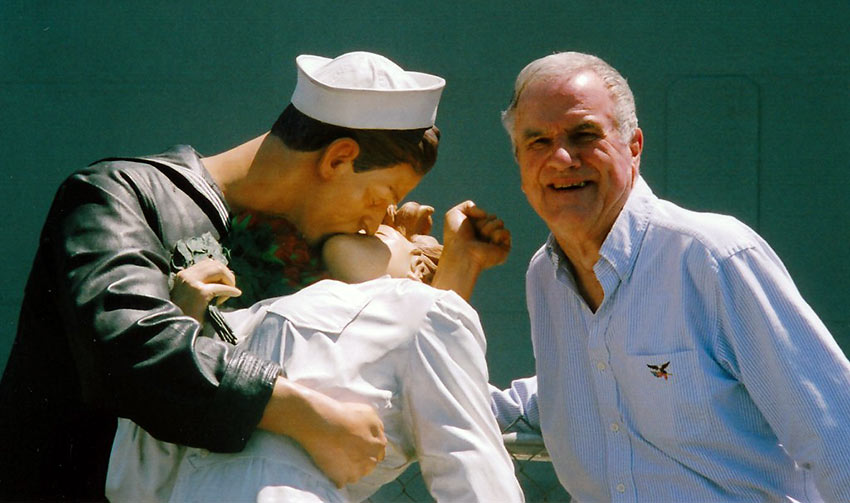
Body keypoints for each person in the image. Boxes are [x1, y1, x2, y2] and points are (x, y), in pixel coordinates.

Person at [0, 51, 451, 500]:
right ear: (338, 159)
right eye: (379, 196)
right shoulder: (120, 194)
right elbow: (125, 346)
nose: (373, 224)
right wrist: (301, 411)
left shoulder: (314, 257)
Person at [490, 51, 850, 501]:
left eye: (585, 135)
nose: (562, 158)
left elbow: (838, 434)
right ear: (520, 162)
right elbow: (579, 394)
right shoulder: (546, 277)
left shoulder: (710, 258)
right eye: (538, 142)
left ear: (634, 145)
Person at [105, 202, 523, 502]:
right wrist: (184, 325)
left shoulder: (421, 307)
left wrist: (458, 258)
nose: (372, 222)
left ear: (417, 269)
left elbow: (469, 459)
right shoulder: (246, 317)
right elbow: (136, 482)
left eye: (378, 233)